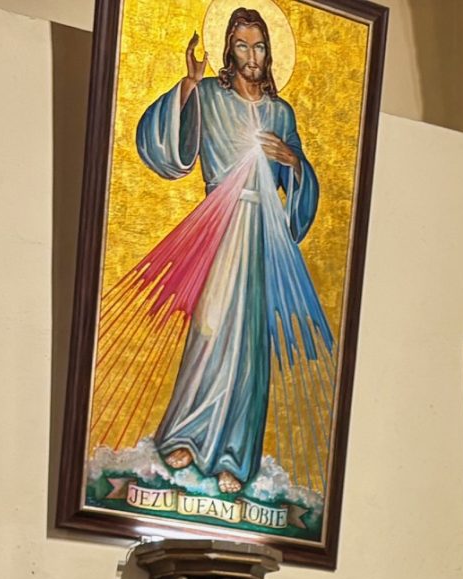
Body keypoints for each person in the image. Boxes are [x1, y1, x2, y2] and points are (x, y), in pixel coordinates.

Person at [131, 6, 326, 495]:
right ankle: (185, 435)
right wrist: (188, 86)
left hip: (260, 234)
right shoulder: (211, 97)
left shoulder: (281, 113)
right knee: (210, 326)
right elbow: (166, 152)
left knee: (251, 345)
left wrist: (292, 161)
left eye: (259, 46)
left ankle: (235, 457)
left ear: (269, 52)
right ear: (229, 51)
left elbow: (302, 184)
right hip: (219, 225)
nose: (252, 56)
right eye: (242, 46)